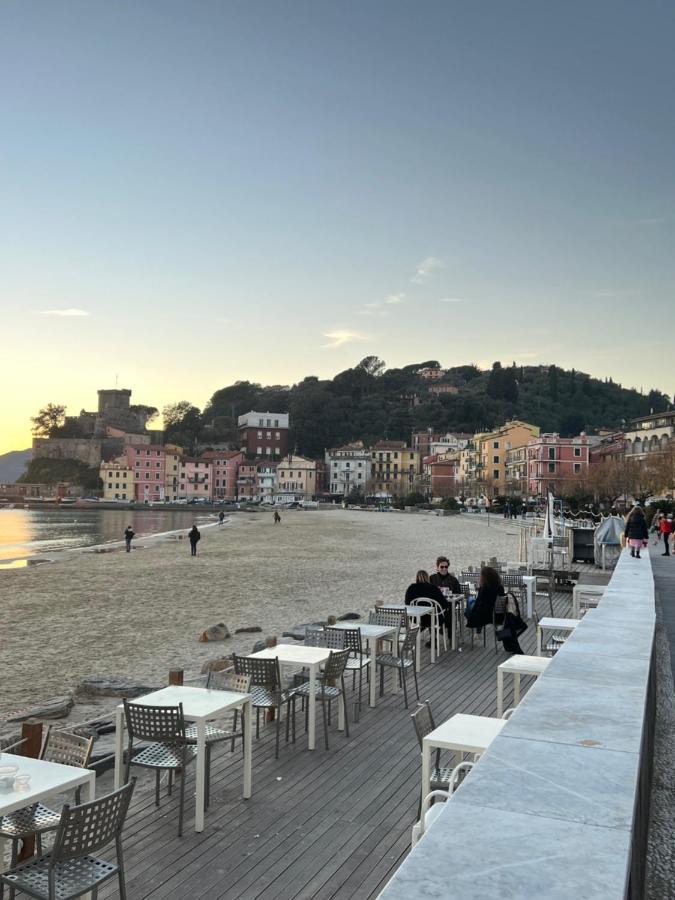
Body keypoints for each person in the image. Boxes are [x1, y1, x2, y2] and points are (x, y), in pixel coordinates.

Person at [405, 570, 448, 646]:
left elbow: (407, 603)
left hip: (417, 618)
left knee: (430, 616)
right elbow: (444, 603)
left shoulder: (411, 588)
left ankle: (418, 633)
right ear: (427, 577)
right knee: (435, 615)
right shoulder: (433, 588)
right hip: (433, 618)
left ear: (417, 578)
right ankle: (433, 639)